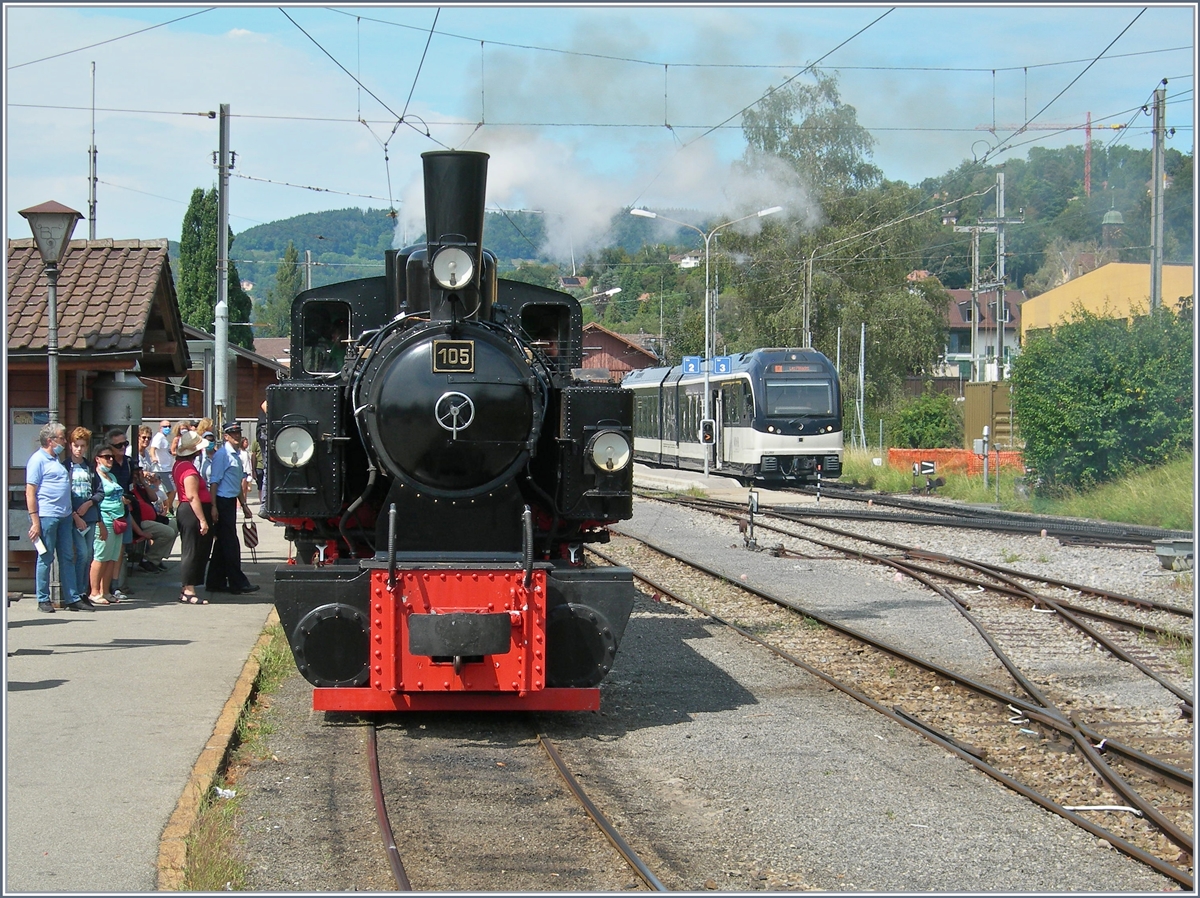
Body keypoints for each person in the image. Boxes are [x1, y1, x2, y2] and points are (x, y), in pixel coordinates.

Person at [25, 422, 87, 613]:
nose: (63, 441)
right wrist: (35, 520)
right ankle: (43, 598)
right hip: (46, 516)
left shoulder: (56, 461)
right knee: (45, 557)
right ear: (51, 441)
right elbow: (30, 492)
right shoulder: (37, 460)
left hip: (64, 516)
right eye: (61, 438)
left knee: (68, 556)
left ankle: (72, 597)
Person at [205, 422, 260, 595]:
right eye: (233, 433)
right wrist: (214, 507)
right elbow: (215, 482)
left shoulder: (236, 455)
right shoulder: (223, 455)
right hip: (221, 501)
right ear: (226, 436)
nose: (237, 436)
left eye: (238, 433)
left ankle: (215, 582)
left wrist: (244, 505)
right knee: (230, 545)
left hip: (229, 501)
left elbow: (236, 484)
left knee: (222, 545)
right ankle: (238, 582)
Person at [173, 430, 214, 604]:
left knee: (193, 549)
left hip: (188, 510)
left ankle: (188, 588)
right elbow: (192, 496)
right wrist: (203, 520)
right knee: (192, 550)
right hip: (192, 511)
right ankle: (188, 588)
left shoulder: (181, 465)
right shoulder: (188, 469)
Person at [67, 427, 103, 606]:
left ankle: (82, 591)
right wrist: (75, 515)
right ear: (70, 446)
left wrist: (89, 503)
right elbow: (63, 494)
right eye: (76, 445)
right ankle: (75, 592)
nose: (79, 449)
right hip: (74, 518)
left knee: (88, 554)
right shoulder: (66, 466)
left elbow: (99, 492)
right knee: (81, 553)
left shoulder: (90, 467)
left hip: (89, 516)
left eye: (82, 446)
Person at [89, 443, 128, 604]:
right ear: (97, 459)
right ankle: (94, 592)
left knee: (112, 557)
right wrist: (100, 524)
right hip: (104, 519)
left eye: (111, 456)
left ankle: (106, 591)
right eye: (106, 457)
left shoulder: (111, 477)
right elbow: (95, 501)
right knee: (101, 556)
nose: (110, 459)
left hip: (118, 519)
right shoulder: (95, 477)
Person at [103, 427, 136, 602]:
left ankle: (115, 584)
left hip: (124, 512)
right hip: (109, 513)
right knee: (106, 551)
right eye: (118, 445)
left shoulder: (128, 463)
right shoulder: (107, 465)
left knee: (120, 549)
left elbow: (130, 485)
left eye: (125, 444)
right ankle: (104, 587)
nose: (123, 448)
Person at [130, 468, 179, 572]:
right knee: (168, 532)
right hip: (141, 522)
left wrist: (143, 482)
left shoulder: (140, 487)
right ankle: (148, 560)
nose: (136, 476)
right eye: (134, 473)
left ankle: (157, 558)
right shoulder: (128, 489)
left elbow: (154, 498)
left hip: (154, 519)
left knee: (175, 525)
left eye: (138, 473)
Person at [151, 418, 176, 513]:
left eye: (169, 426)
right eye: (165, 426)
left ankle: (166, 509)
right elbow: (152, 449)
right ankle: (168, 509)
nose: (167, 428)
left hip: (167, 468)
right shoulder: (159, 437)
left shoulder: (164, 438)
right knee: (172, 490)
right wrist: (154, 457)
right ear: (160, 428)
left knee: (167, 491)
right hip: (162, 469)